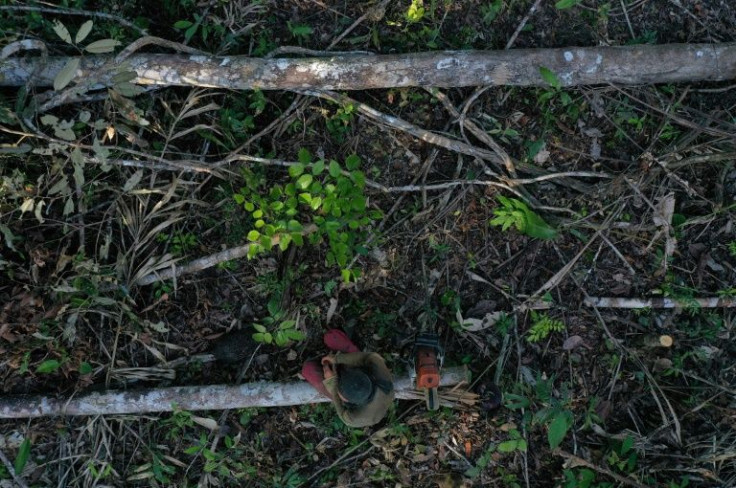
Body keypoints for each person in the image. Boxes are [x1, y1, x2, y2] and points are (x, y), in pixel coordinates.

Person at [301, 329, 394, 428]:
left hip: (340, 391)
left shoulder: (355, 418)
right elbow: (368, 357)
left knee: (308, 370)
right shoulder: (381, 375)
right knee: (332, 336)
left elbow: (341, 410)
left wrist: (331, 385)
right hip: (357, 366)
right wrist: (337, 359)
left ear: (345, 399)